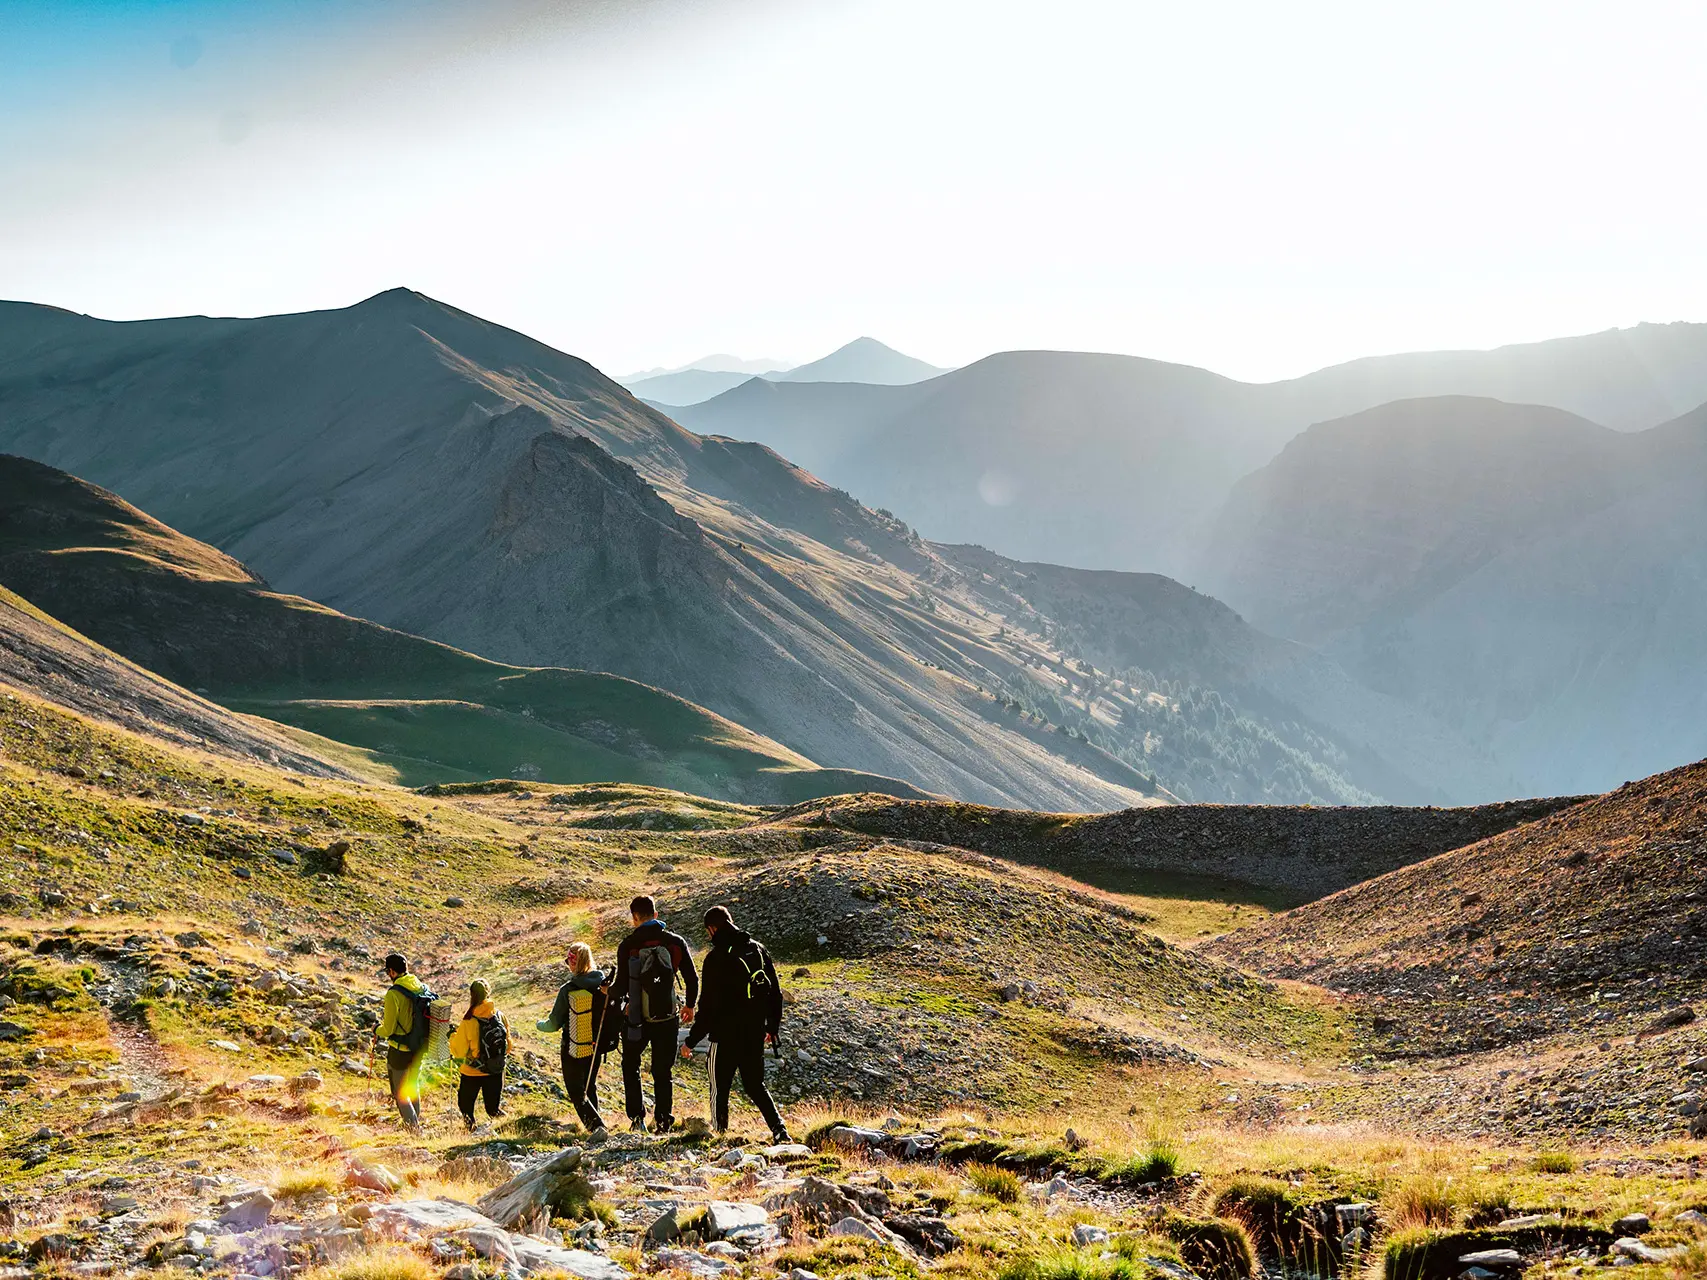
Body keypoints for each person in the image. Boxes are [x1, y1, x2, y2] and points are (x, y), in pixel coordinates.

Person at [683, 905, 790, 1143]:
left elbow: (708, 1006)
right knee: (755, 1085)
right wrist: (772, 1027)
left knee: (719, 1087)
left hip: (724, 1036)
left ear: (712, 929)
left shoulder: (716, 958)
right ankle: (780, 1130)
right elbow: (775, 993)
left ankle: (720, 1134)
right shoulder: (758, 950)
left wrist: (691, 1040)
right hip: (754, 1032)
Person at [613, 895, 698, 1133]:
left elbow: (620, 985)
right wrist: (689, 1005)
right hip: (667, 1016)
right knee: (663, 1069)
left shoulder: (628, 945)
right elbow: (692, 978)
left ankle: (637, 1118)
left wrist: (609, 993)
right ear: (656, 915)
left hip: (636, 1017)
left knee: (631, 1064)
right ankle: (663, 1121)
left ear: (634, 918)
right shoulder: (675, 942)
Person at [537, 943, 610, 1137]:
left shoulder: (568, 989)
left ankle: (597, 1127)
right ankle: (597, 1127)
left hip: (573, 1045)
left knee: (576, 1090)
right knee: (589, 1084)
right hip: (597, 1044)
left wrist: (539, 1024)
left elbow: (553, 1024)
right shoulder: (603, 984)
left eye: (568, 961)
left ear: (573, 962)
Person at [375, 953, 432, 1132]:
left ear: (391, 971)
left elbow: (389, 1029)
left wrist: (376, 1029)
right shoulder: (421, 987)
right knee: (412, 1087)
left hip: (400, 1051)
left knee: (399, 1093)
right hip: (420, 1047)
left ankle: (414, 1131)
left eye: (387, 971)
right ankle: (416, 1124)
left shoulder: (394, 994)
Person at [448, 979, 507, 1133]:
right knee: (493, 1109)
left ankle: (472, 1133)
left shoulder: (469, 1021)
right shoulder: (499, 1016)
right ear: (488, 993)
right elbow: (508, 1045)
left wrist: (452, 1035)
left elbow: (458, 1051)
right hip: (495, 1070)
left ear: (472, 995)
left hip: (472, 1072)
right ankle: (508, 1129)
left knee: (466, 1108)